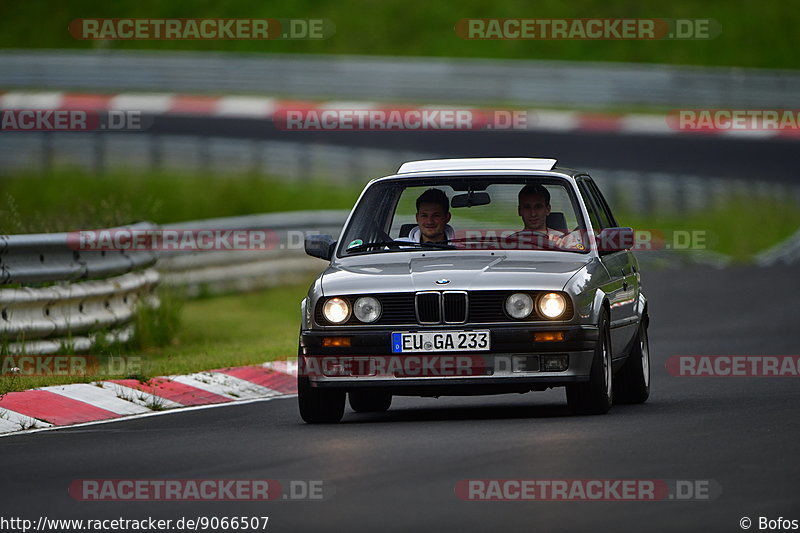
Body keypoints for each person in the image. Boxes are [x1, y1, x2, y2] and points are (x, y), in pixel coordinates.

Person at [514, 184, 584, 250]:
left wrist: (562, 249)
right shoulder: (510, 242)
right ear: (519, 211)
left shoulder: (565, 241)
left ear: (548, 209)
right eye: (527, 207)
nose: (533, 213)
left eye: (538, 207)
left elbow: (579, 259)